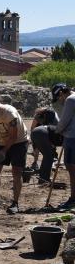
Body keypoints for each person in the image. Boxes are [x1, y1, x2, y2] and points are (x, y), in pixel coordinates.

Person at [54, 83, 75, 211]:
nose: (59, 101)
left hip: (72, 137)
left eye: (58, 98)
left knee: (72, 169)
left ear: (61, 93)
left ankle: (73, 199)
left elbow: (64, 121)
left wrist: (57, 131)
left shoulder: (70, 99)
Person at [29, 103, 60, 185]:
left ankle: (43, 175)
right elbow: (32, 127)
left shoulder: (53, 117)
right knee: (49, 156)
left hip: (43, 132)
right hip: (41, 133)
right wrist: (34, 143)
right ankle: (43, 178)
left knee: (48, 155)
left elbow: (53, 133)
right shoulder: (38, 116)